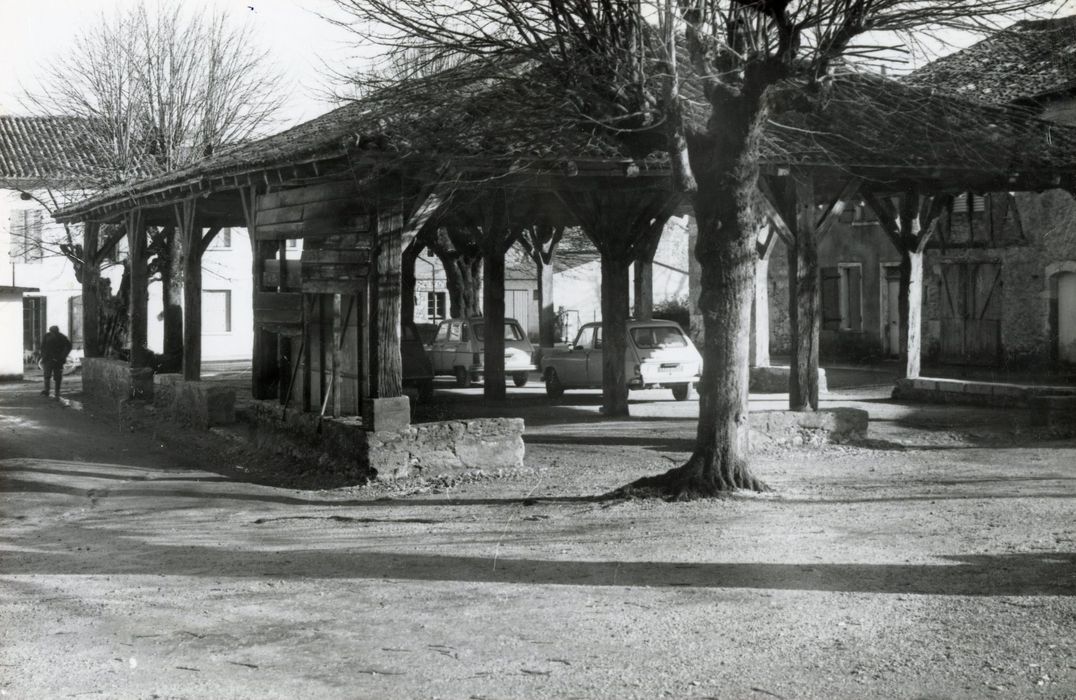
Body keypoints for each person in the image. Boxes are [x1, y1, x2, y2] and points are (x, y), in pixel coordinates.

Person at [40, 326, 72, 399]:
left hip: (58, 360)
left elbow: (68, 347)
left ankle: (57, 391)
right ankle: (47, 390)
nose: (53, 333)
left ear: (57, 331)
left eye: (54, 331)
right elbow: (42, 347)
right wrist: (43, 355)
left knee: (57, 376)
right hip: (48, 359)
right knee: (47, 375)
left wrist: (63, 356)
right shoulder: (47, 336)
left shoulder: (62, 337)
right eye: (52, 331)